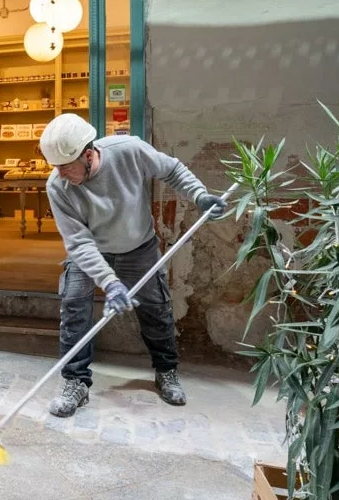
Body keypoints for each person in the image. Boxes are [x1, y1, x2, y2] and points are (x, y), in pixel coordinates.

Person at [38, 113, 227, 418]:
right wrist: (110, 282)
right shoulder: (57, 186)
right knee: (74, 306)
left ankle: (166, 371)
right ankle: (75, 382)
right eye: (56, 167)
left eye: (66, 166)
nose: (60, 173)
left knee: (156, 309)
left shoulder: (128, 150)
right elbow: (79, 243)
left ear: (89, 154)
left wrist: (199, 195)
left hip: (138, 247)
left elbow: (172, 170)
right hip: (90, 252)